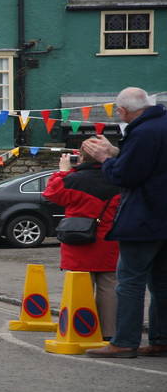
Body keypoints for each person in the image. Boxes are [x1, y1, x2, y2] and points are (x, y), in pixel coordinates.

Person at [82, 87, 167, 358]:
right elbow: (150, 166)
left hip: (144, 217)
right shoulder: (160, 126)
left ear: (122, 111)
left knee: (129, 280)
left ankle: (124, 342)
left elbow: (127, 176)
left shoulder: (141, 132)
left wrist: (105, 158)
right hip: (164, 216)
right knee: (162, 282)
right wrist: (118, 152)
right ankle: (161, 339)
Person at [42, 146, 121, 340]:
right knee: (109, 288)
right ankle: (109, 334)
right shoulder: (119, 179)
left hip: (78, 241)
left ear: (82, 157)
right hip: (109, 241)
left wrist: (62, 171)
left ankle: (78, 331)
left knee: (79, 286)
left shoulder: (72, 179)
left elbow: (51, 194)